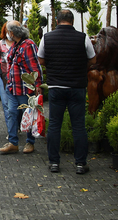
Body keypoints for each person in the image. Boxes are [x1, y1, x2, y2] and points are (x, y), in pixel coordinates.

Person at [38, 9, 96, 175]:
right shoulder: (83, 37)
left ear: (57, 21)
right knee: (79, 126)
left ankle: (54, 162)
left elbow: (40, 59)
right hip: (77, 87)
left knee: (55, 124)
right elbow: (93, 59)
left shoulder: (47, 37)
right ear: (73, 21)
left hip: (56, 87)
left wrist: (52, 65)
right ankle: (80, 163)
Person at [0, 20, 43, 155]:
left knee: (28, 115)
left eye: (8, 31)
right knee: (12, 113)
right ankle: (13, 143)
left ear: (12, 33)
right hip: (13, 87)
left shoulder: (28, 45)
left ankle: (30, 142)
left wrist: (38, 84)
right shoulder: (17, 45)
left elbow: (35, 67)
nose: (7, 34)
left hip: (25, 89)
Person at [0, 22, 22, 154]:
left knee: (20, 106)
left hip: (19, 79)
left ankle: (16, 126)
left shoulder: (21, 43)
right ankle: (11, 132)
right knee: (7, 105)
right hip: (3, 77)